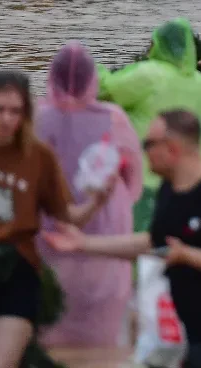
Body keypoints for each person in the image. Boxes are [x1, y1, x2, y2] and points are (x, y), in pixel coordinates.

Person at [45, 109, 201, 368]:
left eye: (148, 144)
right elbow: (152, 242)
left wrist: (188, 255)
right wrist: (84, 244)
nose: (143, 152)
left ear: (171, 149)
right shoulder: (168, 189)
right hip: (170, 343)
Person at [0, 72, 110, 368]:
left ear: (26, 114)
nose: (6, 119)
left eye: (15, 111)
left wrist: (97, 201)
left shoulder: (38, 157)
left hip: (17, 268)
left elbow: (67, 217)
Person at [36, 43, 144, 350]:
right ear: (92, 79)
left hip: (49, 224)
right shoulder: (113, 118)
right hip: (105, 222)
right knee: (101, 315)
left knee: (52, 312)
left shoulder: (36, 115)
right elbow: (133, 177)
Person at [98, 18, 201, 229]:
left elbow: (107, 90)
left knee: (143, 243)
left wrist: (94, 69)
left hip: (149, 177)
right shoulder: (200, 82)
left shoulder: (148, 74)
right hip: (195, 178)